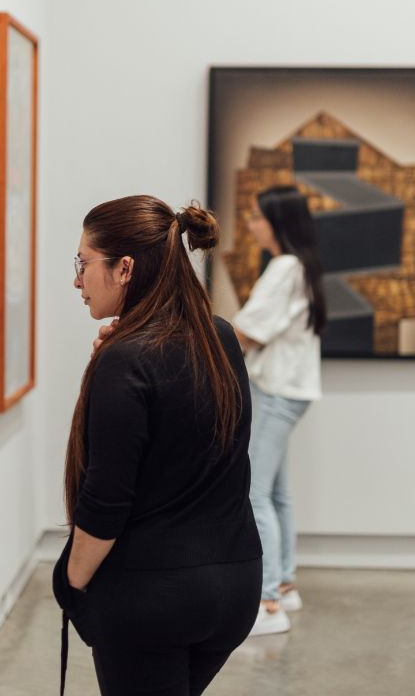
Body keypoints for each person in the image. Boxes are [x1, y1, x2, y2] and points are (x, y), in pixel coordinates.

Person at [53, 195, 261, 696]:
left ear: (124, 268)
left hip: (153, 595)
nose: (77, 280)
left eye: (83, 263)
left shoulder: (126, 360)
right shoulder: (220, 337)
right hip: (234, 585)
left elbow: (106, 501)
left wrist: (70, 582)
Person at [232, 185, 327, 637]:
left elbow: (249, 331)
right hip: (292, 390)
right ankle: (284, 583)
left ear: (277, 222)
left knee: (255, 493)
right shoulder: (300, 266)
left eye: (257, 217)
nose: (251, 224)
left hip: (274, 391)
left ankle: (267, 602)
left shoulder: (285, 267)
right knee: (277, 492)